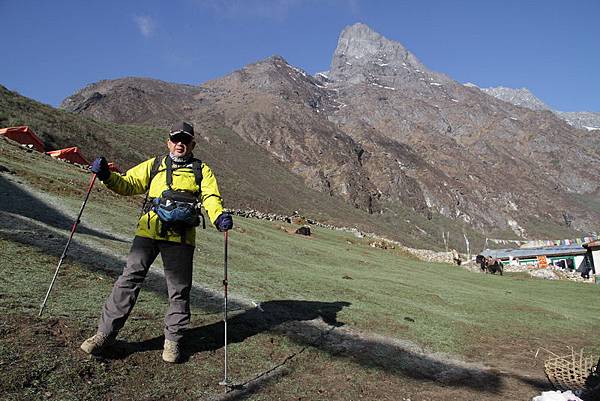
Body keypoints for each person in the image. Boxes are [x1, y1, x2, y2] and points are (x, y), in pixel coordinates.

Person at [80, 122, 233, 363]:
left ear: (193, 144)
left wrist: (218, 217)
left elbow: (211, 197)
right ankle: (104, 335)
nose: (180, 144)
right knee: (128, 280)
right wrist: (106, 176)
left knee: (179, 291)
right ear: (169, 142)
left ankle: (172, 342)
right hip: (148, 233)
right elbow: (128, 184)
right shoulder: (154, 165)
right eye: (176, 139)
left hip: (181, 239)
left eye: (185, 140)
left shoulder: (202, 170)